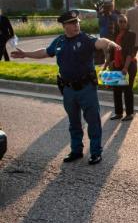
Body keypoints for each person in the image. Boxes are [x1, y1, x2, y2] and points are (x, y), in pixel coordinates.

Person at [11, 10, 121, 165]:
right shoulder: (59, 41)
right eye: (72, 23)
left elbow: (99, 42)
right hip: (68, 89)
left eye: (77, 23)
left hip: (86, 88)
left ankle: (96, 152)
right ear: (64, 26)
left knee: (93, 121)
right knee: (74, 122)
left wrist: (110, 43)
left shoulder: (85, 39)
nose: (76, 26)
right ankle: (76, 150)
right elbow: (45, 52)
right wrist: (26, 54)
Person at [103, 14, 137, 122]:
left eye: (124, 22)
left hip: (129, 65)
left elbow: (130, 52)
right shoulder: (114, 35)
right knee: (116, 90)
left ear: (127, 23)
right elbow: (110, 52)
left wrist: (125, 67)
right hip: (116, 65)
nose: (122, 23)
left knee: (127, 90)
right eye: (120, 21)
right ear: (117, 23)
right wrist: (105, 66)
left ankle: (130, 113)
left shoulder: (131, 35)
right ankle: (118, 112)